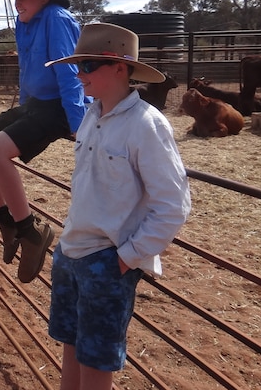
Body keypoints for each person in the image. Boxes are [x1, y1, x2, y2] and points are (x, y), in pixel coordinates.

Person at [44, 22, 191, 390]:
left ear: (120, 68)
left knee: (95, 364)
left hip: (106, 261)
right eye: (79, 65)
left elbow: (173, 204)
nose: (79, 73)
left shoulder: (146, 125)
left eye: (88, 65)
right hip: (72, 251)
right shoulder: (92, 116)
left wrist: (126, 258)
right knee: (72, 347)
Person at [0, 0, 87, 283]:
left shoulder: (58, 19)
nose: (18, 2)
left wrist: (78, 122)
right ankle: (5, 219)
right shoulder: (24, 21)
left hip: (59, 105)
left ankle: (31, 231)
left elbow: (68, 71)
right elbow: (27, 67)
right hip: (34, 104)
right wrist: (21, 108)